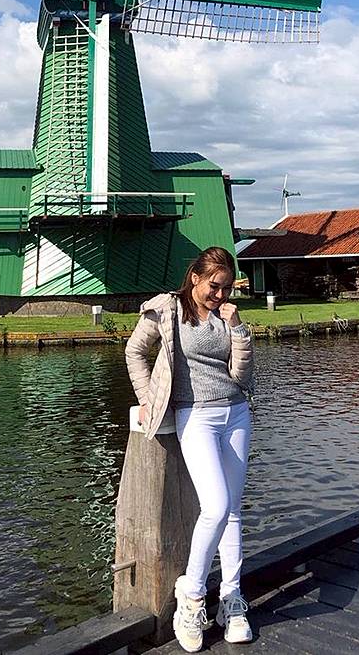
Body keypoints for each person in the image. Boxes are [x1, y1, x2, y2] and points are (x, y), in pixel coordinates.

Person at [125, 247, 254, 652]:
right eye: (214, 286)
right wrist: (147, 398)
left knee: (233, 511)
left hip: (236, 412)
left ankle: (231, 599)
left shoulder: (226, 316)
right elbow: (134, 351)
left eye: (227, 288)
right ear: (195, 277)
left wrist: (238, 329)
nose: (220, 294)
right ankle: (192, 595)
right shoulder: (167, 310)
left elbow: (242, 374)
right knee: (215, 506)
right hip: (195, 415)